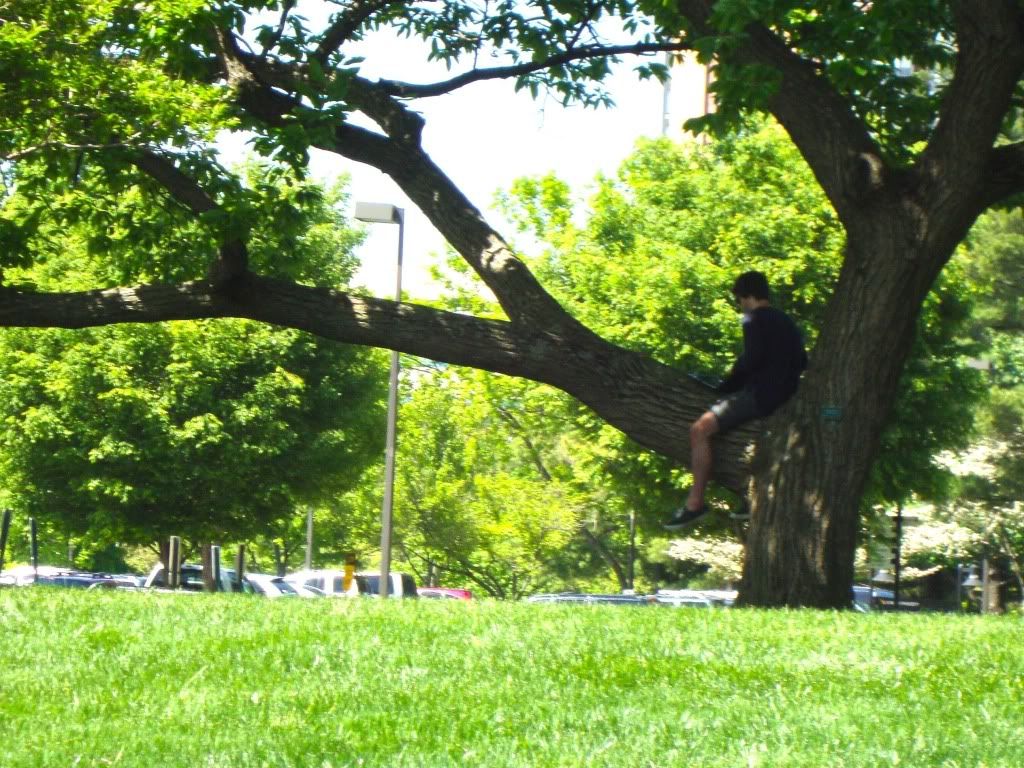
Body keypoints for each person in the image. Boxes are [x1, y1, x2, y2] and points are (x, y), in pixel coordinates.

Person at [664, 270, 807, 530]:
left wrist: (726, 385)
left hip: (761, 394)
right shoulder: (787, 322)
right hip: (787, 395)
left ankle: (694, 503)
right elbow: (802, 361)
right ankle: (751, 496)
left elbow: (751, 359)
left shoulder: (754, 318)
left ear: (749, 296)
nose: (740, 306)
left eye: (740, 300)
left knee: (699, 430)